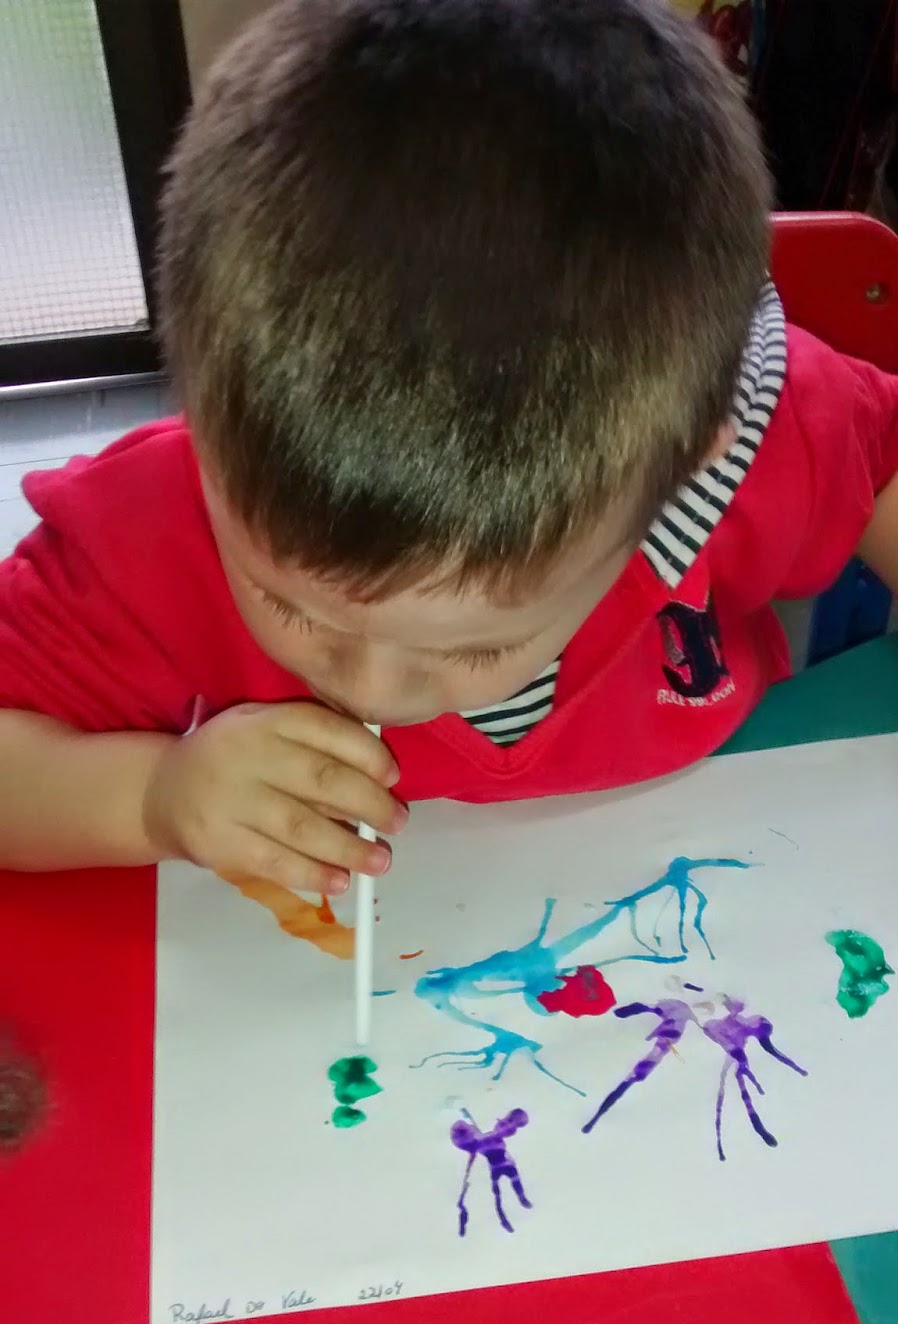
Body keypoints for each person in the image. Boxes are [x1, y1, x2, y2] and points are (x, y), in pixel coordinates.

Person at [2, 0, 898, 899]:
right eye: (290, 604)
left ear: (677, 476)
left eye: (476, 650)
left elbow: (880, 464)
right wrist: (153, 797)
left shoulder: (754, 439)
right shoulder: (158, 527)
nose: (376, 691)